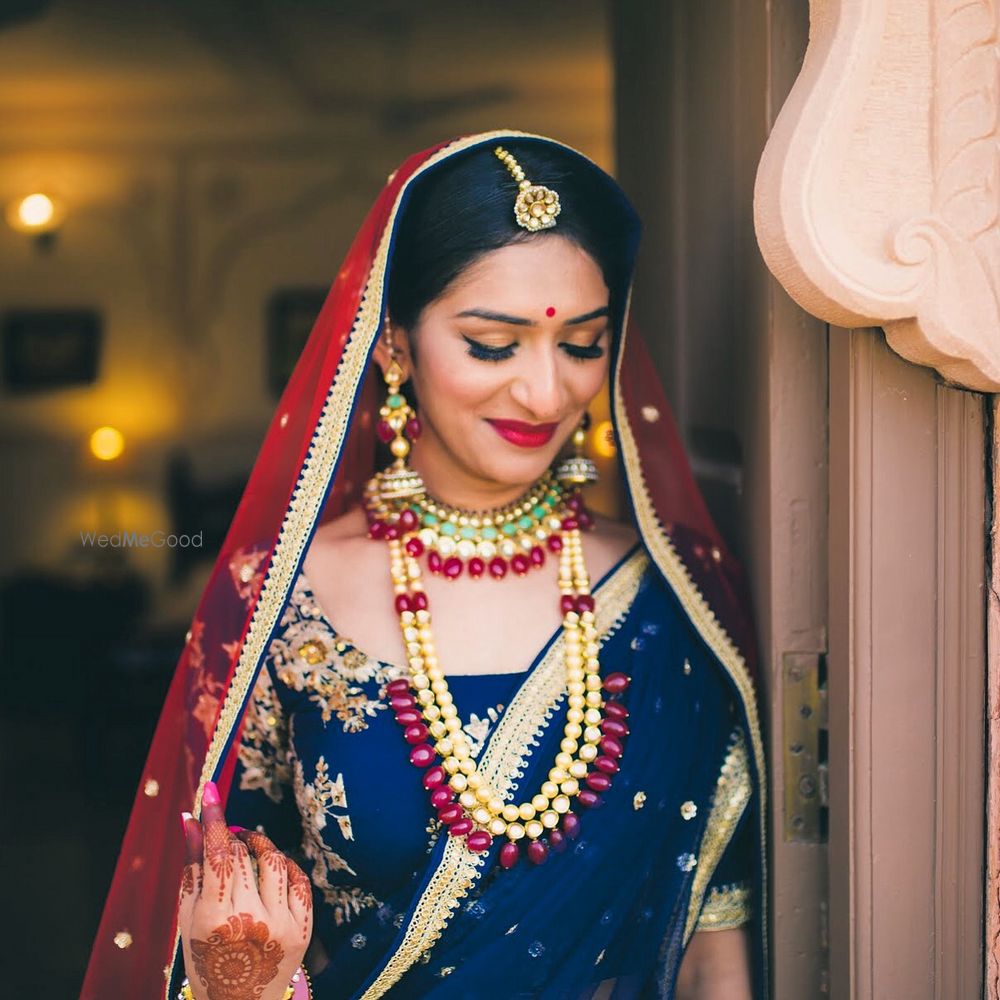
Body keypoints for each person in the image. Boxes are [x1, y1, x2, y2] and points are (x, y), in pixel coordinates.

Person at [81, 130, 769, 1000]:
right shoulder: (277, 600)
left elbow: (712, 948)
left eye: (584, 343)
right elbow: (226, 943)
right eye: (492, 344)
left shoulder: (672, 598)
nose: (546, 392)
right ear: (393, 347)